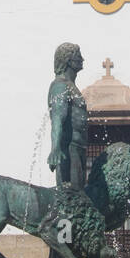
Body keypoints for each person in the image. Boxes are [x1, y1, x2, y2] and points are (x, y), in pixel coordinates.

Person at [47, 42, 88, 189]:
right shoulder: (60, 86)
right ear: (68, 60)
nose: (82, 59)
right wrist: (55, 148)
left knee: (79, 197)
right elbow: (58, 118)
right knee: (72, 198)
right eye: (78, 56)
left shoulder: (70, 86)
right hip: (68, 152)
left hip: (77, 149)